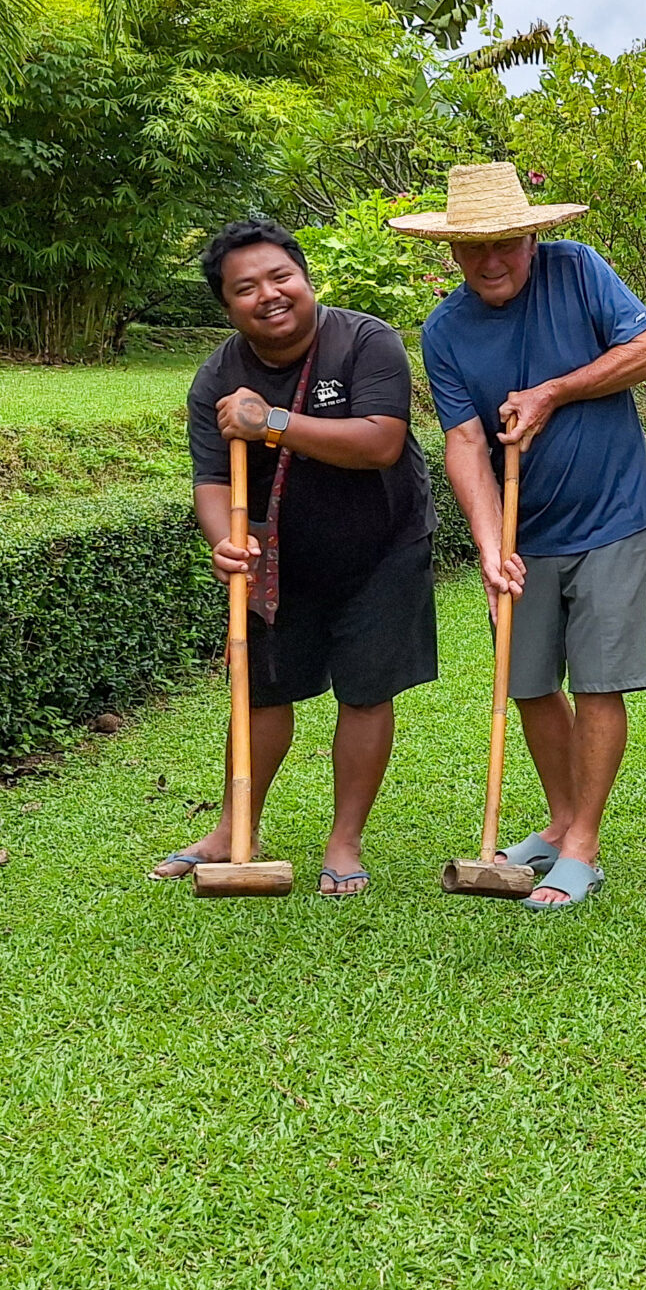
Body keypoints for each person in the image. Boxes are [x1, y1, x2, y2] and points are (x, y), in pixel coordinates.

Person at [400, 163, 646, 907]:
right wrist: (491, 547)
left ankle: (583, 845)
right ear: (452, 251)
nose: (492, 262)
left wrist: (555, 391)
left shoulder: (578, 270)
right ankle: (558, 821)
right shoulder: (446, 329)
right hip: (526, 531)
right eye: (473, 249)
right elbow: (463, 443)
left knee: (597, 681)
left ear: (531, 236)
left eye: (508, 244)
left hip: (612, 516)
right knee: (526, 684)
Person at [156, 219, 440, 896]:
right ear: (227, 307)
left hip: (383, 546)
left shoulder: (365, 341)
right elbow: (212, 480)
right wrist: (224, 538)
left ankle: (344, 841)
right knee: (261, 691)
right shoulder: (218, 376)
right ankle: (233, 830)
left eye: (281, 277)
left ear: (307, 280)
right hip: (280, 558)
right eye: (245, 288)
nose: (269, 295)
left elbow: (380, 443)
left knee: (366, 691)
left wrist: (272, 424)